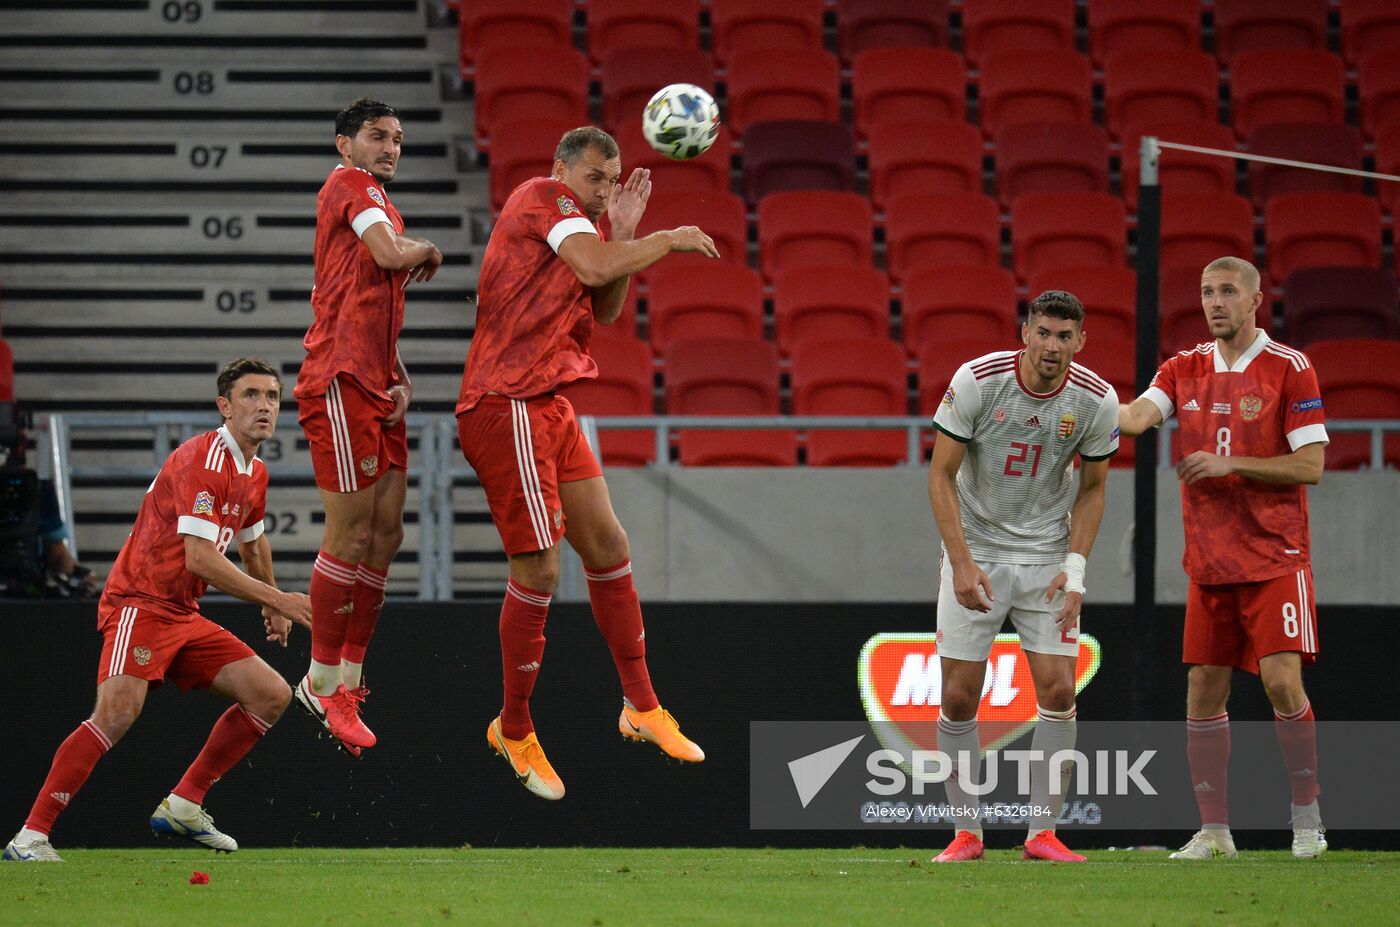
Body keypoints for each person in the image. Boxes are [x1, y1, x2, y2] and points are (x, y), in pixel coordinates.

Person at [456, 126, 716, 800]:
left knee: (608, 544)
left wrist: (623, 233)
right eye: (596, 178)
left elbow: (603, 299)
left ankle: (641, 705)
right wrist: (666, 236)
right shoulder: (543, 199)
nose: (605, 191)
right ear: (561, 168)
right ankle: (512, 726)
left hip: (547, 401)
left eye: (614, 179)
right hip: (504, 397)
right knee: (540, 566)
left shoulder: (584, 228)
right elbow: (598, 268)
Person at [2, 359, 312, 862]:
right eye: (251, 395)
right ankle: (30, 836)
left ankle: (185, 805)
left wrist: (272, 606)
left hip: (182, 611)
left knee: (270, 695)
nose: (264, 405)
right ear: (225, 407)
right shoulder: (203, 460)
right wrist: (280, 600)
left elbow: (253, 545)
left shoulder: (254, 471)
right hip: (139, 601)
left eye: (273, 397)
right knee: (117, 713)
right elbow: (201, 558)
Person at [1118, 256, 1328, 861]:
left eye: (1228, 291)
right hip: (1210, 563)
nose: (1216, 301)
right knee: (1203, 690)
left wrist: (1231, 462)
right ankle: (1214, 832)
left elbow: (1310, 466)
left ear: (1256, 299)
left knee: (1281, 681)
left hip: (1274, 556)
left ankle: (1306, 820)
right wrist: (1072, 391)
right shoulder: (1183, 368)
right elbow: (1135, 419)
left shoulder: (1291, 367)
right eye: (1208, 291)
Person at [927, 291, 1119, 863]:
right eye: (1044, 333)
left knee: (1060, 691)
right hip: (978, 549)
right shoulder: (977, 382)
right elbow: (940, 476)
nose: (1053, 346)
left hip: (1046, 555)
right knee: (960, 697)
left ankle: (1042, 834)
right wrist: (961, 561)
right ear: (1025, 333)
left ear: (1080, 341)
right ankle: (967, 833)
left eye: (1065, 336)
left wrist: (1076, 570)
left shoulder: (1096, 400)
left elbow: (1093, 489)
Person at [292, 97, 442, 756]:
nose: (390, 147)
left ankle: (348, 678)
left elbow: (365, 292)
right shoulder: (349, 186)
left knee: (387, 531)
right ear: (344, 144)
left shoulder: (375, 196)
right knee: (350, 530)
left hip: (376, 382)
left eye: (399, 139)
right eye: (378, 136)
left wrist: (400, 371)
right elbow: (386, 253)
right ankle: (320, 678)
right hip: (339, 381)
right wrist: (423, 248)